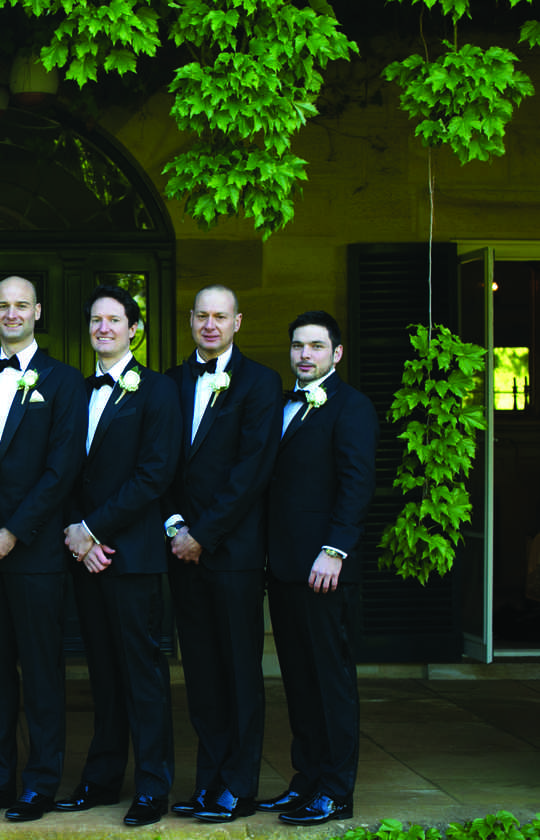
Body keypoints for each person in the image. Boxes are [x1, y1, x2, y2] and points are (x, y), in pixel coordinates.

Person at [0, 275, 84, 823]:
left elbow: (61, 471)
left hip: (34, 555)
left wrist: (14, 531)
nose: (11, 313)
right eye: (2, 306)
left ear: (38, 312)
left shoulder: (65, 381)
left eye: (21, 305)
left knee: (41, 672)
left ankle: (40, 784)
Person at [58, 286, 180, 826]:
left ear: (135, 329)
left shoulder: (157, 391)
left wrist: (92, 529)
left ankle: (153, 787)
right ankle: (103, 778)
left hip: (132, 556)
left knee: (143, 674)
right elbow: (68, 473)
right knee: (102, 673)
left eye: (114, 319)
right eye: (95, 319)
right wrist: (78, 540)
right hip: (87, 557)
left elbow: (154, 474)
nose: (103, 327)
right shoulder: (77, 390)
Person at [163, 284, 282, 823]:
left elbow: (251, 471)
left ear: (238, 322)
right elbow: (160, 463)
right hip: (180, 550)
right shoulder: (170, 381)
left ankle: (240, 785)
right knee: (202, 674)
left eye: (221, 316)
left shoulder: (261, 383)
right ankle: (209, 782)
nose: (210, 324)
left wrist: (203, 534)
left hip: (231, 553)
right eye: (202, 316)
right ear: (191, 320)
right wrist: (175, 527)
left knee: (238, 671)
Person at [259, 311, 376, 826]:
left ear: (337, 353)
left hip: (324, 568)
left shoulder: (352, 407)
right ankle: (305, 779)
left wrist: (335, 550)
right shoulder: (282, 405)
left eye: (316, 346)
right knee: (299, 681)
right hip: (283, 568)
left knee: (331, 682)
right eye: (298, 345)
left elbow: (356, 484)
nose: (305, 355)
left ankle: (336, 791)